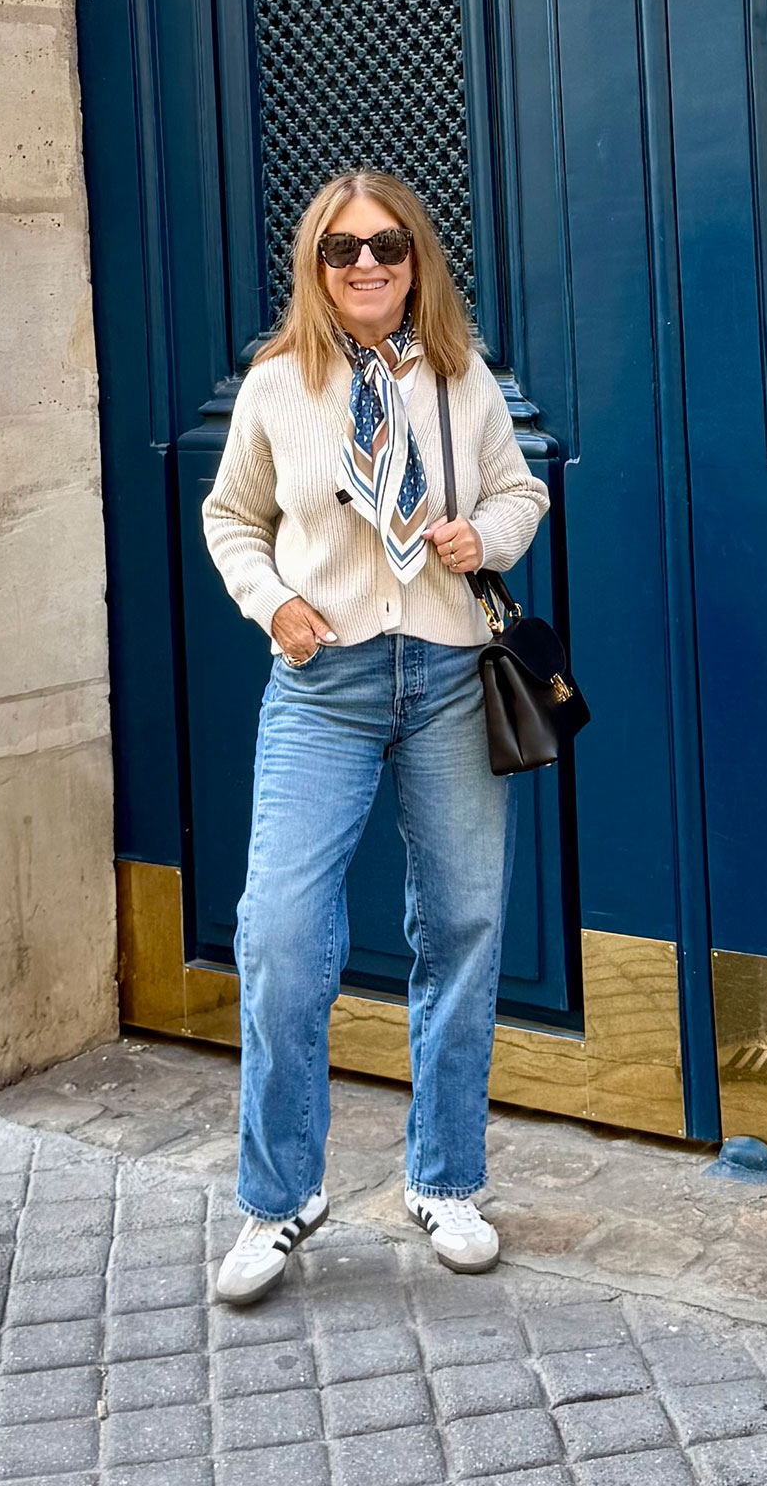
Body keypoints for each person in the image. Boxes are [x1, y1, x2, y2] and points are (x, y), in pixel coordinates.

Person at [202, 169, 550, 1305]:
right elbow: (230, 518)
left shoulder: (461, 376)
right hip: (323, 683)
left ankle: (446, 1178)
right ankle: (280, 1197)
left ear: (415, 260)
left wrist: (482, 539)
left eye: (387, 247)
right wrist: (274, 603)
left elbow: (522, 495)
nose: (366, 267)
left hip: (451, 673)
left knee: (461, 921)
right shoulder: (275, 387)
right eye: (343, 250)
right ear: (315, 264)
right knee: (283, 932)